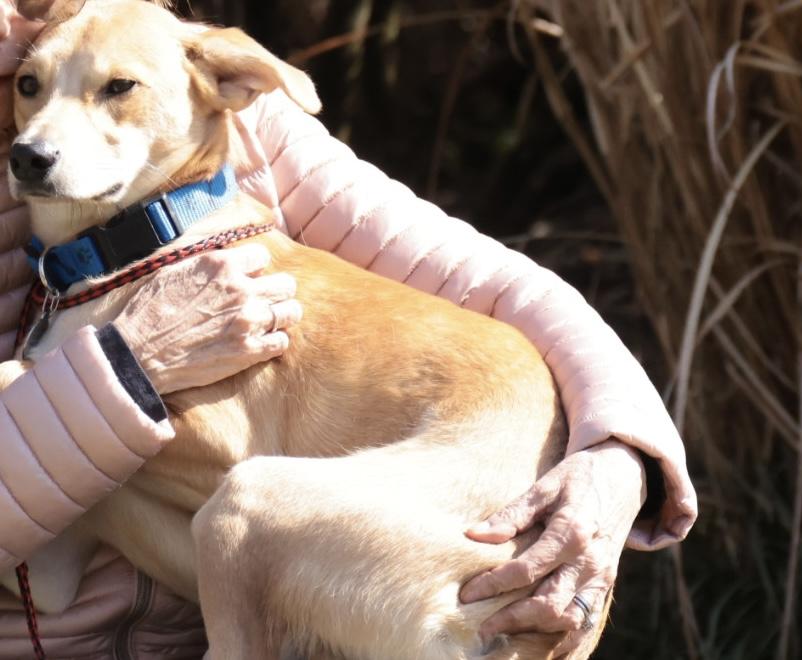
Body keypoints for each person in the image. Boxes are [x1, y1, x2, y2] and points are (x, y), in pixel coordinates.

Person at [0, 1, 697, 657]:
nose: (38, 136)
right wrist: (116, 373)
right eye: (29, 86)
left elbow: (500, 283)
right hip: (290, 599)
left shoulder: (224, 122)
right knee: (237, 516)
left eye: (117, 88)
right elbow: (51, 574)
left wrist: (618, 456)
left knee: (250, 513)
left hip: (458, 582)